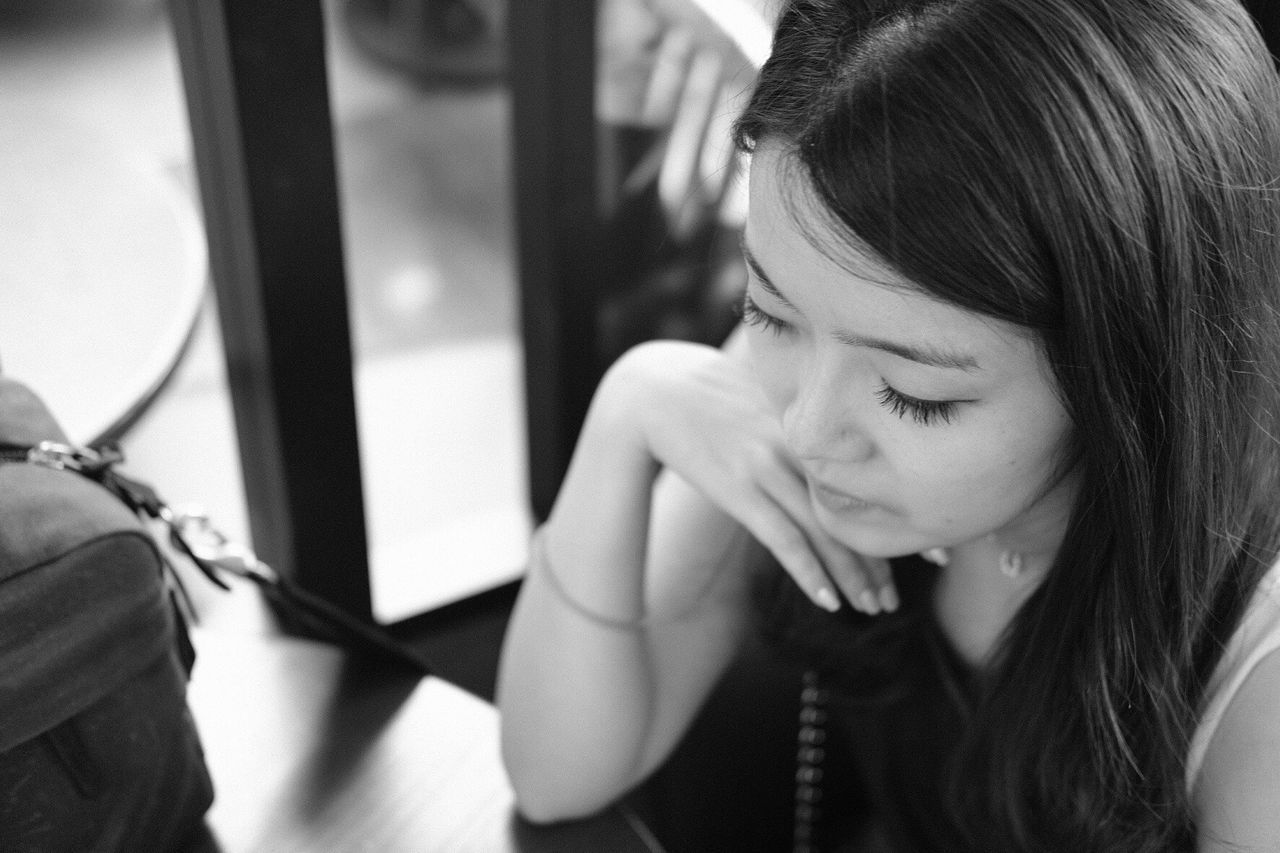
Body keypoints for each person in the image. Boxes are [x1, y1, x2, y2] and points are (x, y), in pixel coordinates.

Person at [495, 1, 1280, 850]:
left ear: (1134, 371)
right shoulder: (830, 345)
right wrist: (629, 408)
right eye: (764, 310)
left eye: (916, 396)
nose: (806, 429)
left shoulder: (1256, 677)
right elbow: (556, 772)